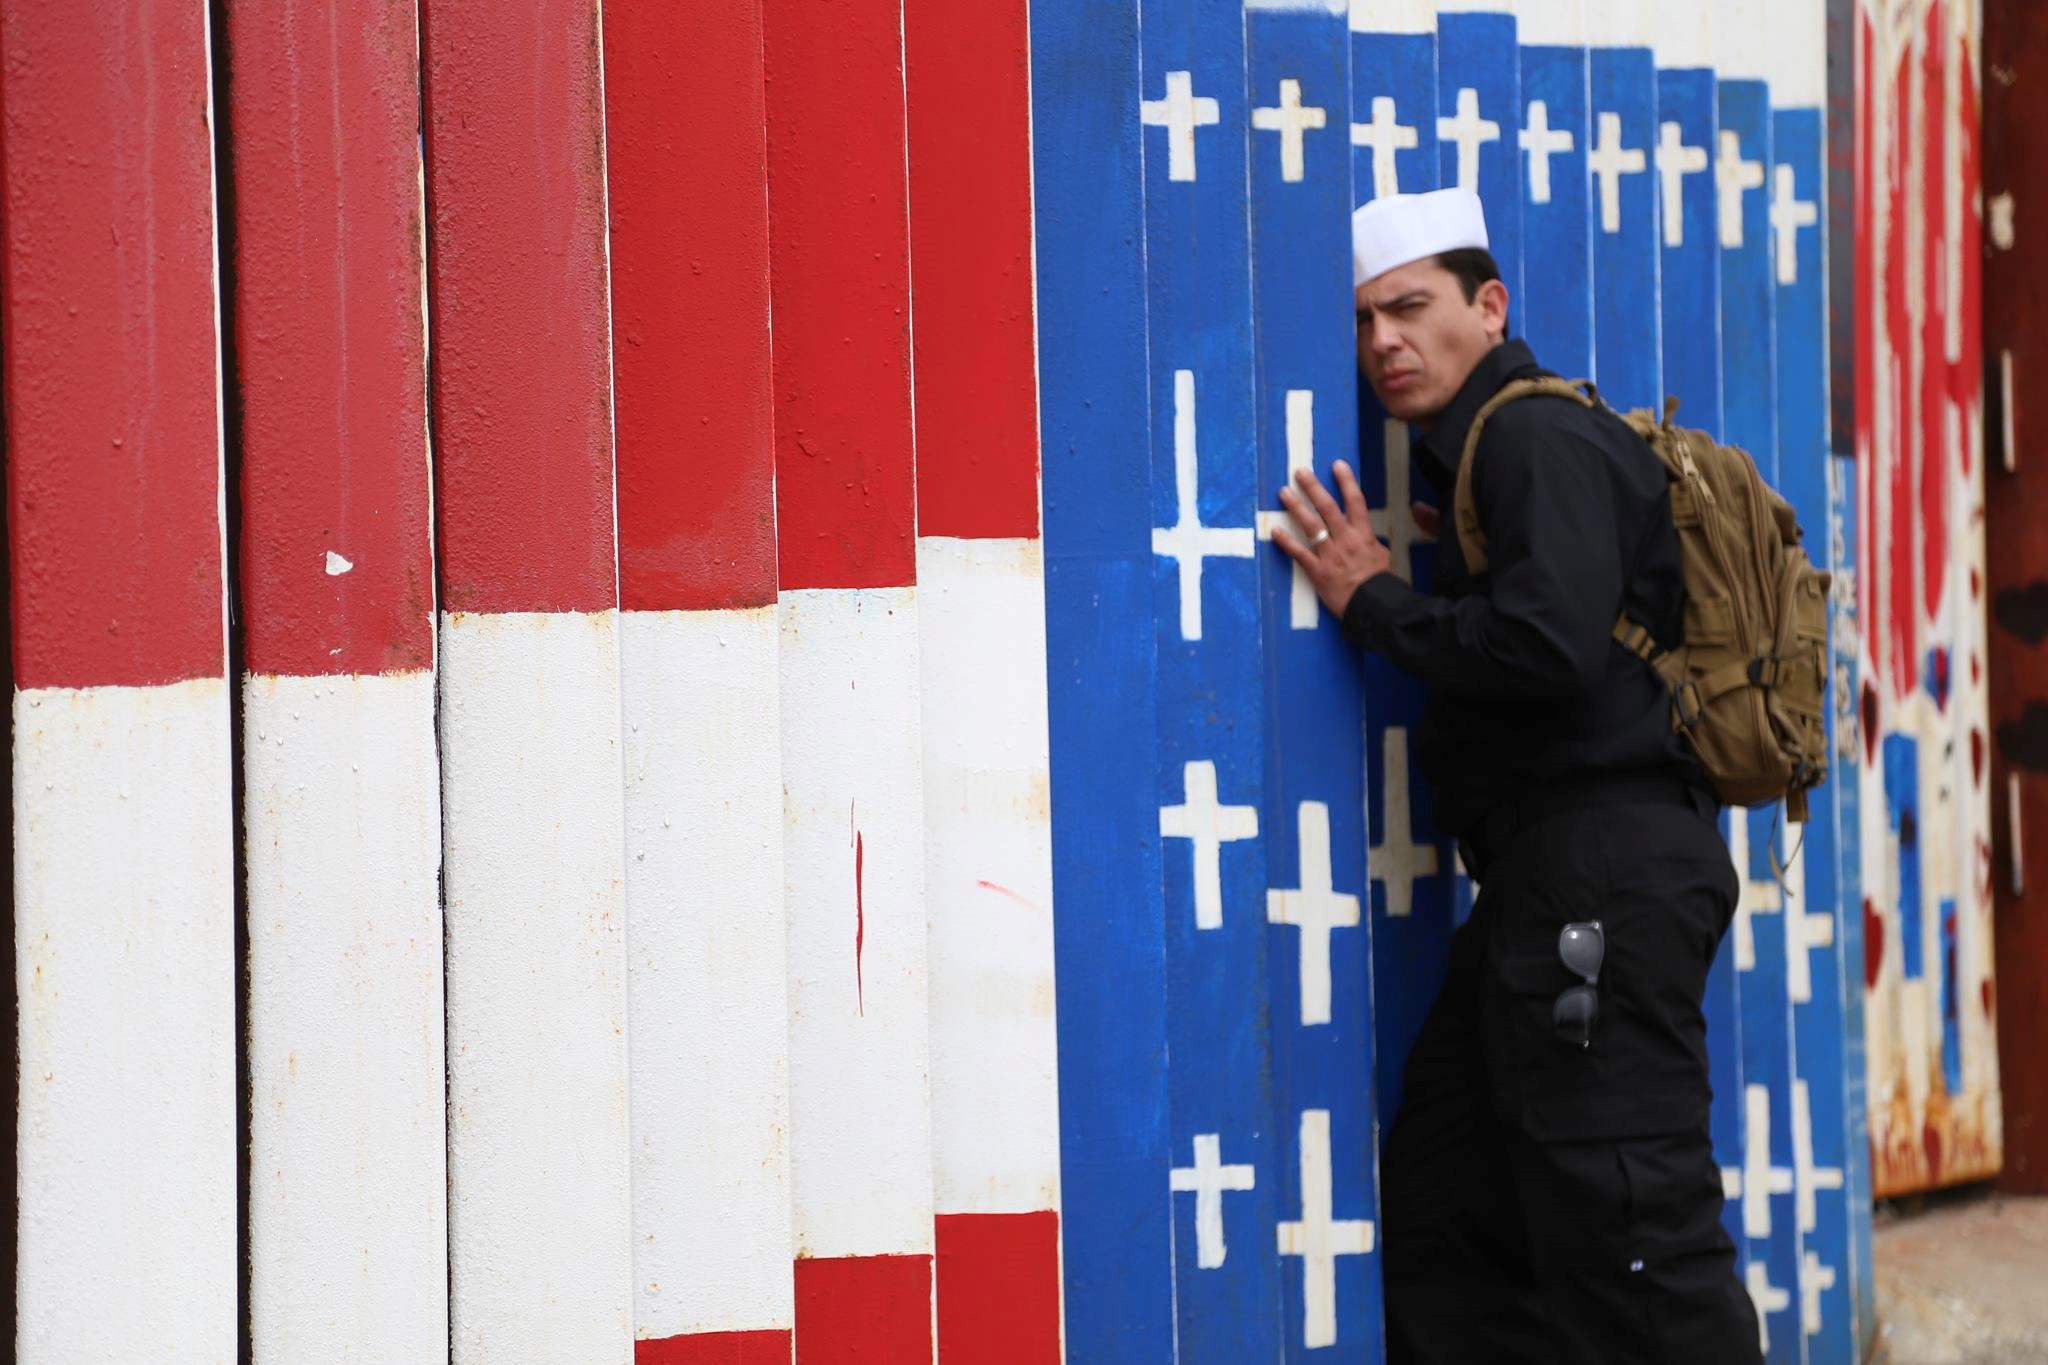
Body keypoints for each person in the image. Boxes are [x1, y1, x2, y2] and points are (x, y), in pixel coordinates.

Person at [1270, 188, 1762, 1364]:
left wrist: (1375, 601)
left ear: (1487, 307)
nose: (1381, 341)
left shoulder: (1532, 437)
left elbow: (1547, 647)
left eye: (1409, 307)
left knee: (1629, 1227)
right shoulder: (1496, 451)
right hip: (1547, 897)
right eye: (1360, 322)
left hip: (1598, 886)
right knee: (1455, 1212)